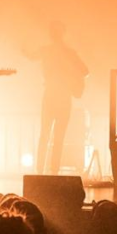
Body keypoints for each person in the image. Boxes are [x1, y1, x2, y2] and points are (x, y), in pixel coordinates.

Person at [26, 21, 88, 176]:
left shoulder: (46, 51)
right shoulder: (69, 53)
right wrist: (71, 76)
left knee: (45, 134)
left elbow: (30, 56)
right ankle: (54, 171)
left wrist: (22, 46)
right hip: (64, 96)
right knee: (58, 136)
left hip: (51, 95)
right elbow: (85, 71)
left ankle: (40, 170)